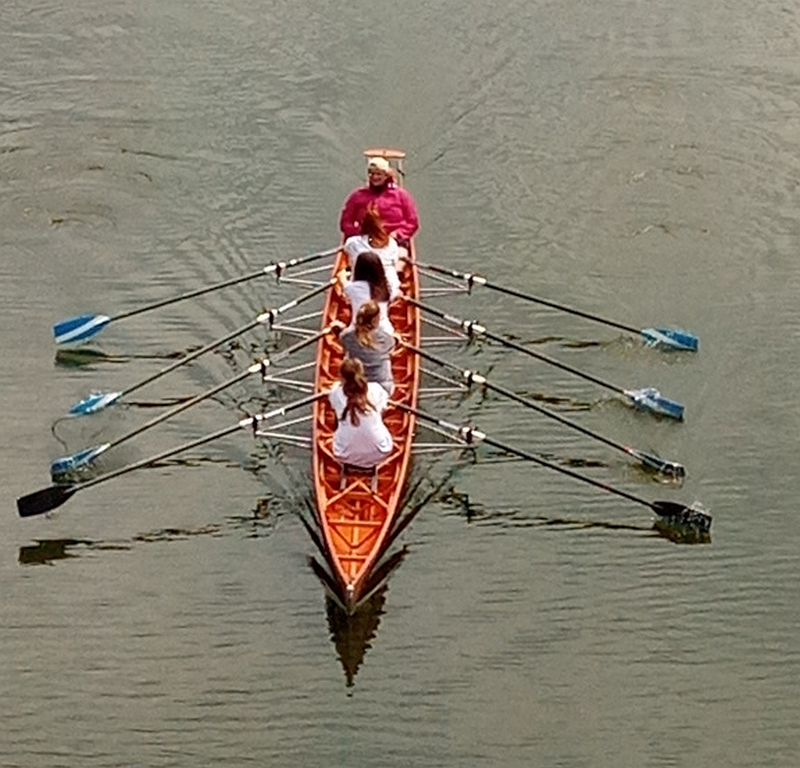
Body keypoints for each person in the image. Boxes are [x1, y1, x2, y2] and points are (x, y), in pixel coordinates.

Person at [339, 156, 419, 259]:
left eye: (378, 174)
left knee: (401, 258)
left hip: (393, 239)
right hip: (364, 239)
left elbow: (412, 222)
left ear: (386, 175)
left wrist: (397, 234)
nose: (374, 177)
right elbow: (345, 222)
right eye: (371, 173)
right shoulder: (357, 196)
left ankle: (398, 271)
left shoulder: (401, 195)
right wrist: (359, 233)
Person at [328, 357, 393, 469]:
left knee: (339, 416)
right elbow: (384, 407)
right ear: (362, 373)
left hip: (343, 454)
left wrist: (335, 387)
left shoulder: (335, 394)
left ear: (342, 376)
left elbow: (335, 400)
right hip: (380, 452)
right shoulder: (376, 389)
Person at [343, 205, 401, 297]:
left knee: (341, 275)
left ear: (363, 225)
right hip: (390, 292)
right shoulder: (392, 243)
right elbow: (395, 262)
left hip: (359, 292)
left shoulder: (352, 243)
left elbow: (346, 251)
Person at [339, 301, 395, 393]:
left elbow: (342, 339)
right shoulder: (386, 338)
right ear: (374, 321)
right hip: (382, 387)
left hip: (356, 386)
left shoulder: (346, 337)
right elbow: (392, 347)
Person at [342, 250, 395, 333]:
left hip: (357, 331)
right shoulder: (387, 286)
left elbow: (342, 280)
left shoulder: (353, 287)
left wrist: (343, 272)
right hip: (386, 331)